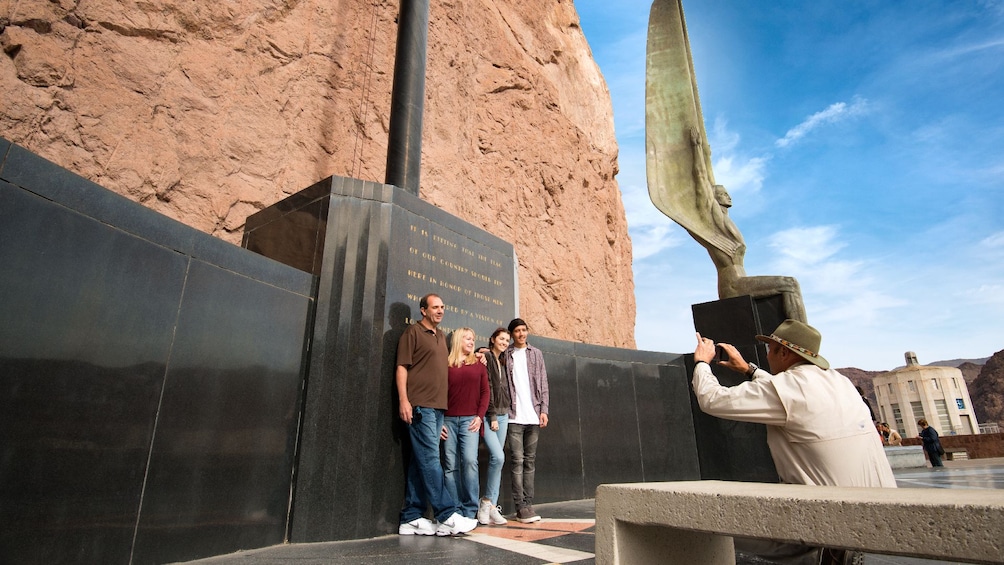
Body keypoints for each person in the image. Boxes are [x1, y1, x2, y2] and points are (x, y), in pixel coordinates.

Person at [692, 319, 895, 564]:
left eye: (770, 348)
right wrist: (749, 370)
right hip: (882, 511)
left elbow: (711, 399)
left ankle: (828, 553)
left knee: (703, 520)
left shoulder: (789, 388)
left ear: (784, 352)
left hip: (831, 521)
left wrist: (702, 362)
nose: (767, 354)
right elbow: (789, 396)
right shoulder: (839, 382)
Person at [395, 294, 478, 536]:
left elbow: (454, 363)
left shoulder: (441, 337)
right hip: (420, 406)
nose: (440, 311)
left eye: (442, 307)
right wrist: (404, 400)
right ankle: (446, 515)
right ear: (423, 310)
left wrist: (481, 353)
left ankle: (411, 517)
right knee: (431, 460)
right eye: (435, 307)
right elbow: (402, 367)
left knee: (418, 462)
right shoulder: (413, 333)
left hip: (438, 409)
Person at [503, 318, 549, 523]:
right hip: (514, 417)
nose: (521, 334)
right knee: (517, 461)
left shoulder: (536, 354)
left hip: (533, 415)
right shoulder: (507, 354)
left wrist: (544, 410)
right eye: (517, 331)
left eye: (524, 330)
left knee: (530, 462)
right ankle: (520, 507)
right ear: (512, 334)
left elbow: (543, 383)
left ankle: (528, 504)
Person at [442, 327, 489, 519]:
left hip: (471, 421)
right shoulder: (445, 364)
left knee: (470, 461)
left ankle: (470, 510)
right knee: (450, 465)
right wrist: (439, 422)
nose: (471, 342)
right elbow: (438, 393)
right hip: (448, 421)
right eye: (467, 339)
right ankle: (454, 509)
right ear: (458, 340)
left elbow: (486, 392)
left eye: (473, 339)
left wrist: (479, 416)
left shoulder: (479, 364)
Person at [477, 328, 511, 525]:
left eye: (507, 340)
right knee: (498, 456)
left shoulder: (503, 360)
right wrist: (492, 416)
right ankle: (486, 502)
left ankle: (490, 505)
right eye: (501, 339)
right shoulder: (488, 357)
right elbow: (487, 388)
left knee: (496, 461)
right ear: (493, 339)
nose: (505, 342)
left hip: (504, 414)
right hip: (491, 416)